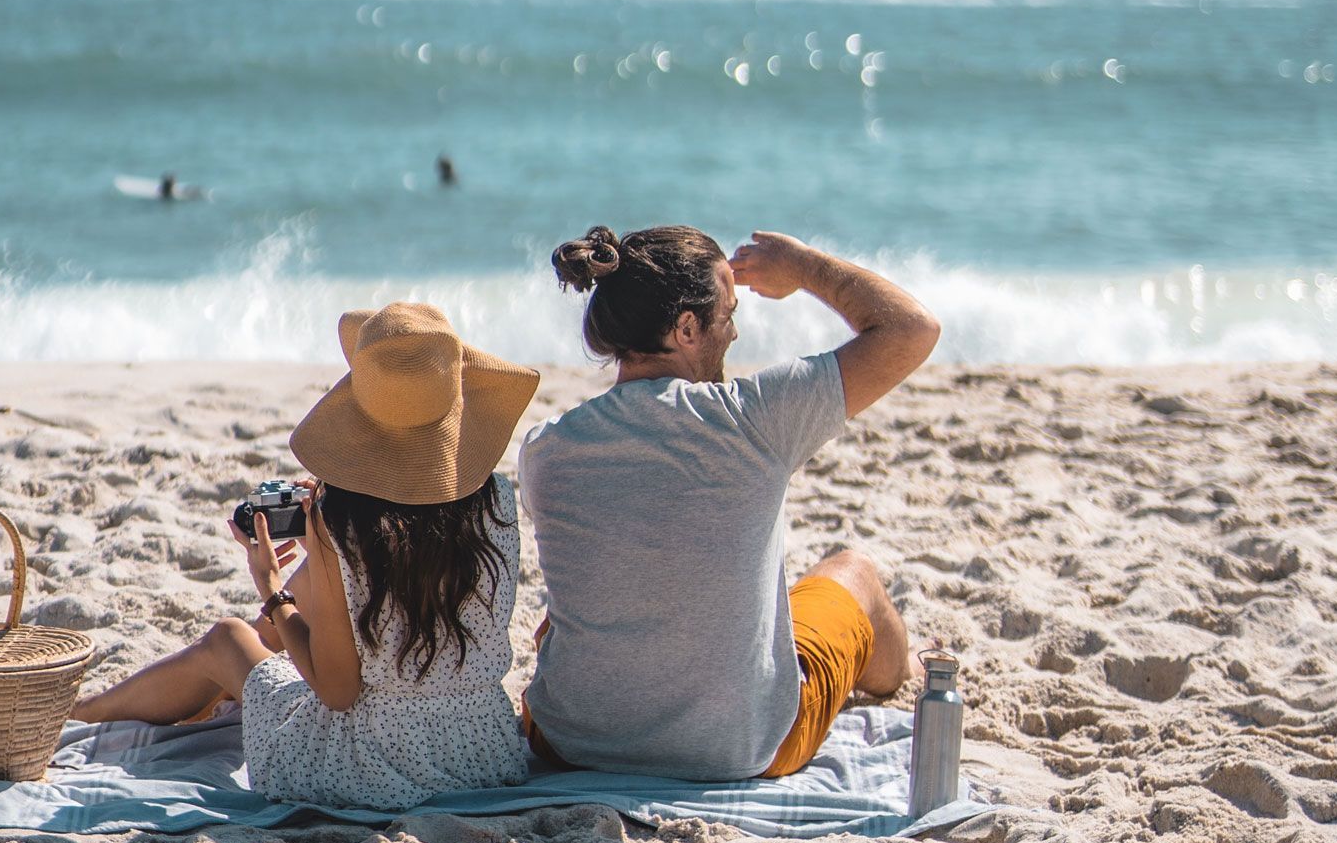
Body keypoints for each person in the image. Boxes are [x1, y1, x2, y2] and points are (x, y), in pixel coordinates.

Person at [71, 302, 541, 810]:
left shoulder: (344, 521)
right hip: (484, 752)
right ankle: (157, 705)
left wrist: (274, 587)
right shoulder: (495, 497)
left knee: (229, 639)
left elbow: (337, 693)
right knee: (280, 627)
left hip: (375, 768)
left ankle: (83, 714)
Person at [519, 225, 940, 781]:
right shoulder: (753, 419)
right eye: (727, 313)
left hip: (569, 741)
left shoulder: (546, 448)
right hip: (737, 750)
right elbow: (912, 329)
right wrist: (805, 265)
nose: (735, 332)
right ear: (687, 328)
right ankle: (898, 673)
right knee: (853, 573)